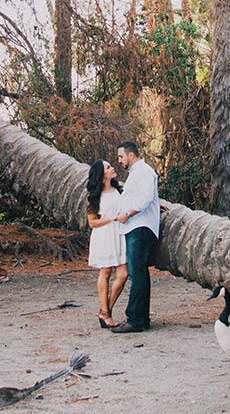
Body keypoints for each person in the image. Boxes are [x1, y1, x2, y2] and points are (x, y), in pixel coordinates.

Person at [110, 141, 160, 333]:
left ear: (131, 155)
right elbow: (146, 197)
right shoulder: (136, 174)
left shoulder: (144, 171)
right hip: (135, 226)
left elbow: (146, 197)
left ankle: (136, 320)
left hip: (139, 227)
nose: (119, 161)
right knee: (138, 272)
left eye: (121, 157)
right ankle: (141, 319)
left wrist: (128, 214)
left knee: (136, 272)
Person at [86, 159, 128, 329]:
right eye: (108, 167)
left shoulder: (119, 189)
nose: (112, 168)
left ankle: (105, 311)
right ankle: (105, 313)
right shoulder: (96, 196)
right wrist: (111, 218)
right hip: (104, 235)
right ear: (101, 174)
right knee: (105, 272)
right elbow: (92, 222)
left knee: (123, 274)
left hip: (119, 233)